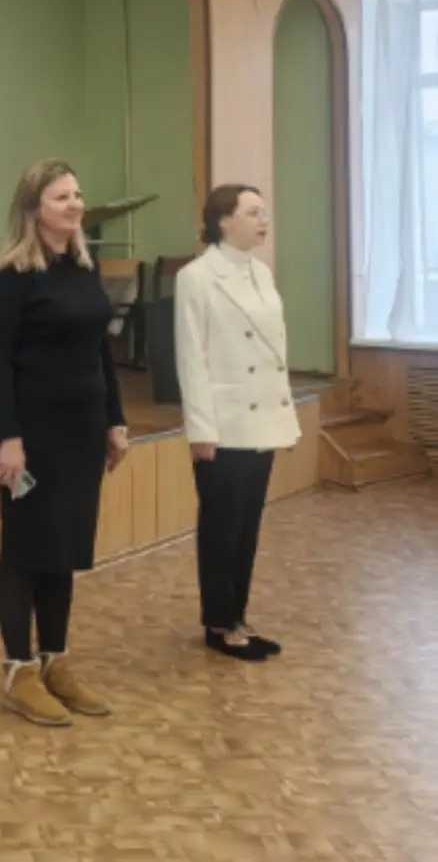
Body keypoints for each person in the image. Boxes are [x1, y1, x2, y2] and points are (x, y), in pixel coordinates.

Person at [0, 159, 129, 727]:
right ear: (33, 209)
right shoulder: (12, 275)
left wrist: (114, 420)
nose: (75, 204)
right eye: (61, 197)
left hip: (81, 431)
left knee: (62, 547)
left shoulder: (84, 267)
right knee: (24, 550)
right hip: (31, 435)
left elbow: (100, 351)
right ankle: (19, 671)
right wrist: (9, 438)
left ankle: (55, 661)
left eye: (77, 194)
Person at [175, 184, 298, 661]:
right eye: (253, 212)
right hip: (223, 423)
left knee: (247, 527)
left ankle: (238, 617)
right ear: (224, 221)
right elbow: (191, 358)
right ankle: (218, 624)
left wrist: (282, 414)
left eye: (264, 212)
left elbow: (274, 353)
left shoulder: (261, 272)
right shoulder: (197, 277)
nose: (264, 220)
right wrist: (200, 429)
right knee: (221, 527)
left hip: (262, 419)